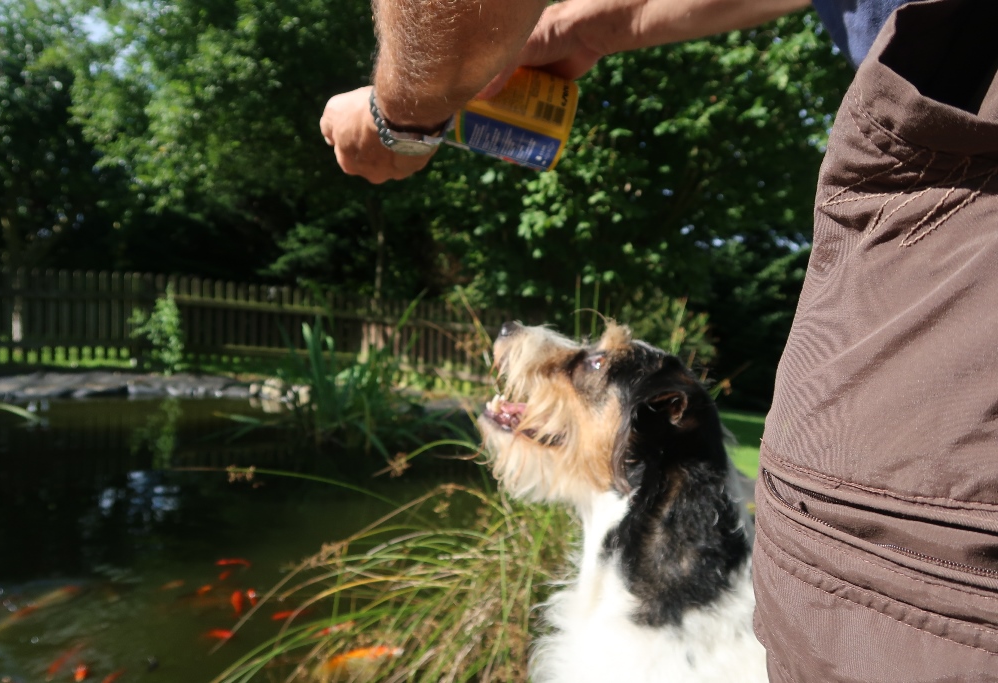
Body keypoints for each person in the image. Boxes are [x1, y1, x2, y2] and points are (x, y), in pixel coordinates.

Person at [321, 0, 998, 680]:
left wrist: (403, 111)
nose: (542, 349)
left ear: (667, 421)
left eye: (588, 362)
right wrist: (574, 28)